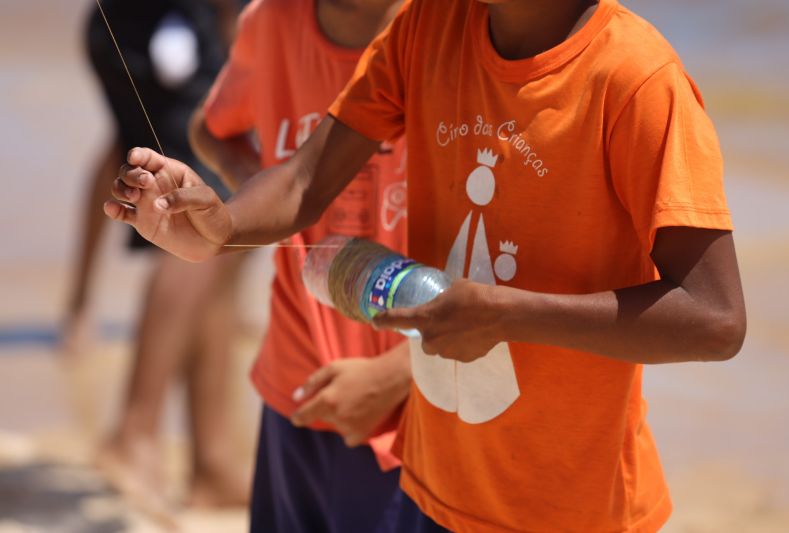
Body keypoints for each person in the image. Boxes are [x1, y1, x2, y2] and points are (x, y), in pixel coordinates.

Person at [104, 0, 748, 531]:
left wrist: (506, 315)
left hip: (574, 504)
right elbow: (305, 181)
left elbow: (715, 319)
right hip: (436, 483)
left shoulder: (637, 80)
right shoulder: (427, 27)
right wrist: (223, 226)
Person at [186, 1, 421, 532]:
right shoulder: (271, 20)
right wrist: (259, 197)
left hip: (416, 401)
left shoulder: (447, 29)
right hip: (295, 380)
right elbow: (212, 127)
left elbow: (516, 254)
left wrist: (400, 374)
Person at [66, 0, 249, 514]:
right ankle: (135, 432)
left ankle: (211, 464)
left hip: (132, 29)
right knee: (209, 206)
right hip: (173, 36)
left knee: (225, 229)